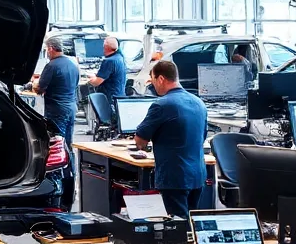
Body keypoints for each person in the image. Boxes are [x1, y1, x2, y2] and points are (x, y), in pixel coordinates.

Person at [134, 59, 208, 219]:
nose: (153, 85)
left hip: (175, 177)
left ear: (161, 78)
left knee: (177, 225)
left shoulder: (161, 105)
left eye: (153, 80)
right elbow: (202, 137)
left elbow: (140, 141)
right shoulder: (199, 103)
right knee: (192, 223)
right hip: (197, 175)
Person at [34, 35, 80, 208]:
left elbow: (40, 89)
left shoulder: (51, 65)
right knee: (68, 144)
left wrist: (32, 84)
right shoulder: (72, 64)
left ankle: (56, 181)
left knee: (56, 146)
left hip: (57, 110)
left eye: (47, 49)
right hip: (71, 107)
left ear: (51, 48)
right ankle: (71, 177)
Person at [88, 35, 127, 100]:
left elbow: (96, 83)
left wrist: (89, 77)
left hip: (109, 98)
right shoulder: (120, 57)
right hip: (119, 96)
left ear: (105, 47)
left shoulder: (109, 61)